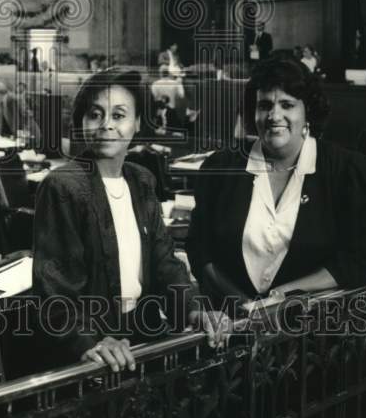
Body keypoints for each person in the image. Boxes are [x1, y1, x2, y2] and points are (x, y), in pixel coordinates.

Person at [32, 68, 229, 372]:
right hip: (92, 347)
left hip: (144, 334)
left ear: (136, 123)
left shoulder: (141, 180)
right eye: (95, 114)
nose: (106, 125)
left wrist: (195, 310)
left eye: (119, 115)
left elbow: (166, 265)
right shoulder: (63, 186)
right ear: (82, 122)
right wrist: (91, 343)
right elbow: (55, 292)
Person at [186, 58, 366, 310]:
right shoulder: (221, 169)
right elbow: (200, 249)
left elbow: (360, 261)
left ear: (307, 111)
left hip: (314, 334)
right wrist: (242, 304)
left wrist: (283, 295)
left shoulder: (347, 172)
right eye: (264, 105)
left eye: (287, 105)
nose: (274, 115)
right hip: (230, 327)